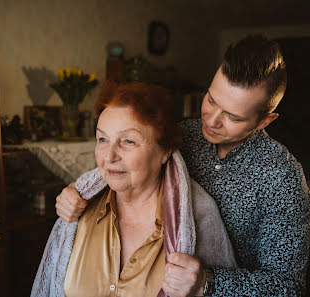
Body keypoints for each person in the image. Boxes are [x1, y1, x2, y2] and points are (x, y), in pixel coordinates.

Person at [56, 35, 310, 296]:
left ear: (264, 121)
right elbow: (119, 166)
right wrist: (78, 192)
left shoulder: (282, 178)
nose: (212, 121)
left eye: (232, 117)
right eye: (211, 100)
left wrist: (208, 282)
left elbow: (288, 288)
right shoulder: (183, 136)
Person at [31, 82, 237, 297]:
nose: (109, 157)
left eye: (128, 141)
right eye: (102, 139)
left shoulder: (197, 215)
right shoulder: (78, 208)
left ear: (164, 151)